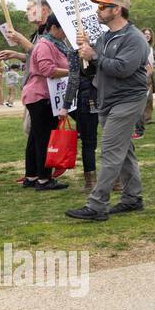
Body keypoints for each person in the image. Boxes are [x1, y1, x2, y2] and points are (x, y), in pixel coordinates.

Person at [65, 0, 151, 221]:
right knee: (124, 152)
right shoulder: (105, 37)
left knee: (111, 152)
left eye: (103, 7)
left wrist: (94, 56)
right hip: (107, 100)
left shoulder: (134, 38)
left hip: (128, 99)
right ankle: (133, 198)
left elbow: (123, 69)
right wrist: (85, 55)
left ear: (117, 10)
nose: (98, 11)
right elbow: (94, 69)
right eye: (98, 7)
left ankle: (97, 206)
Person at [0, 0, 70, 190]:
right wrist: (72, 71)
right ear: (54, 27)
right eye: (63, 29)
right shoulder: (46, 44)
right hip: (41, 96)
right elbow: (48, 70)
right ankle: (44, 179)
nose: (65, 33)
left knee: (36, 137)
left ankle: (32, 175)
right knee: (44, 138)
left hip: (40, 94)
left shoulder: (51, 42)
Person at [61, 25, 100, 192]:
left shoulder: (100, 48)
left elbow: (74, 80)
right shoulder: (74, 52)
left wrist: (66, 106)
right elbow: (74, 80)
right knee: (89, 142)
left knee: (101, 142)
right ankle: (91, 181)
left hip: (103, 96)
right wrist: (66, 105)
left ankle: (115, 180)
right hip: (88, 99)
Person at [137, 27, 155, 137]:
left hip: (150, 74)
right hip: (143, 74)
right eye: (145, 34)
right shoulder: (140, 46)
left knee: (149, 99)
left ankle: (147, 118)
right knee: (144, 98)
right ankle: (141, 120)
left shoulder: (151, 48)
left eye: (149, 34)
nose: (147, 35)